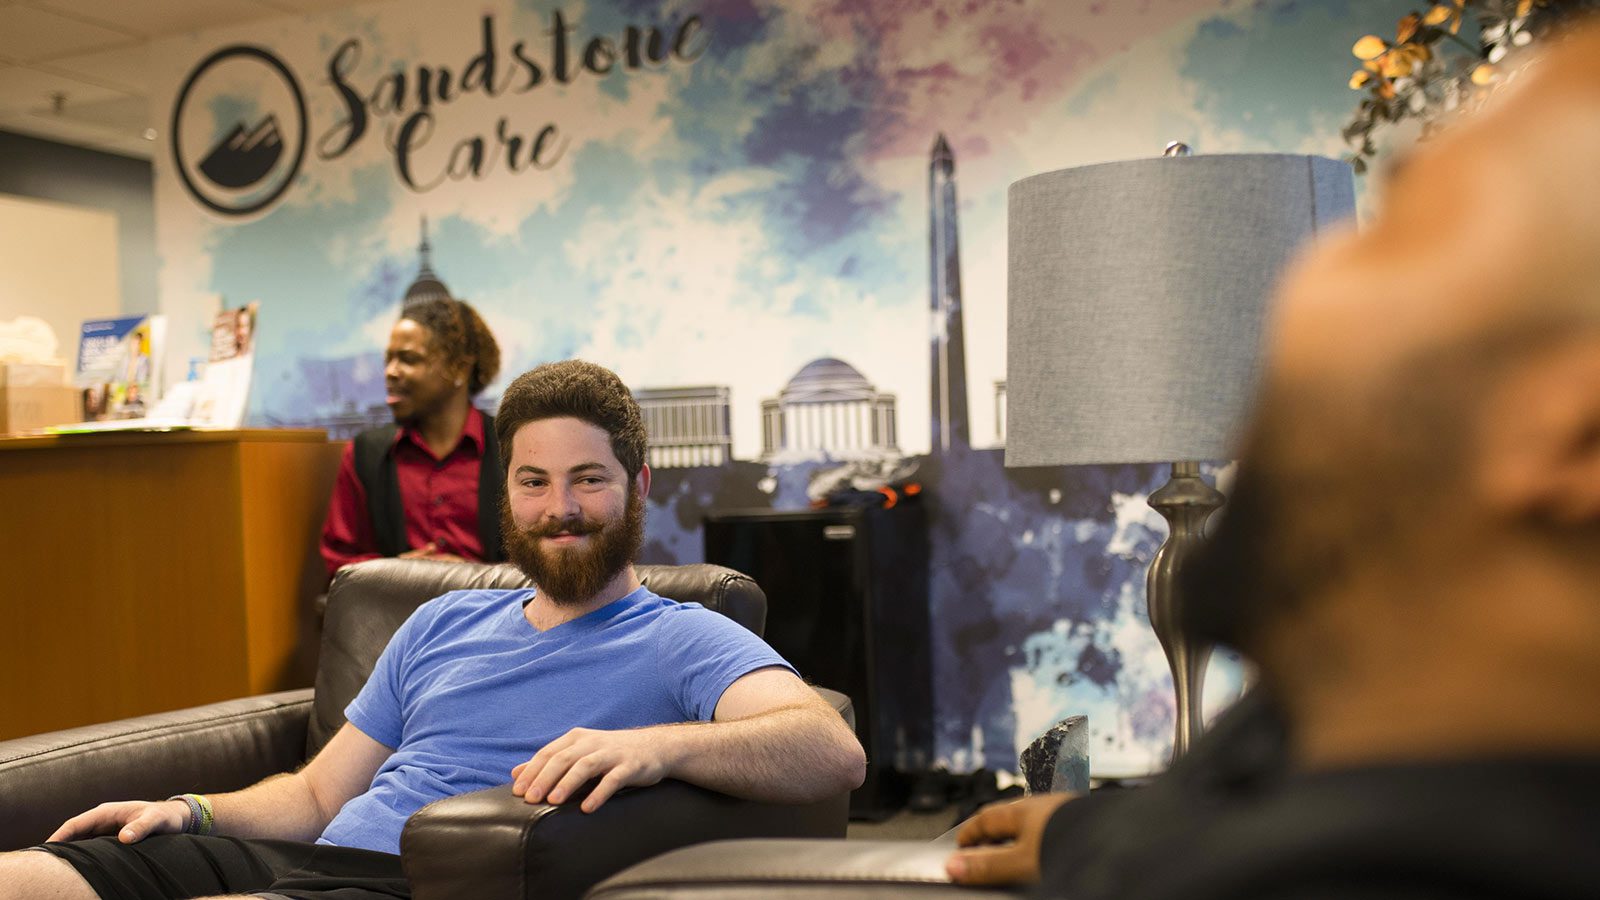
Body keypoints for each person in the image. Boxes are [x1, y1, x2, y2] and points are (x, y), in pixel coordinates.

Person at [947, 22, 1600, 899]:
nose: (1296, 284)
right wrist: (1098, 835)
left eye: (1400, 229)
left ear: (1575, 434)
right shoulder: (1364, 769)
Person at [0, 359, 867, 899]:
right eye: (533, 481)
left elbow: (831, 751)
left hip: (407, 883)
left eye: (587, 479)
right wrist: (191, 811)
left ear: (638, 488)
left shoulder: (685, 636)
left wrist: (661, 747)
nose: (560, 509)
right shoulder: (442, 618)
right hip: (294, 857)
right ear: (508, 495)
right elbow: (312, 798)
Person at [319, 297, 505, 580]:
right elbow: (338, 562)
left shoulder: (511, 449)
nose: (390, 372)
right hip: (396, 621)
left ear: (460, 369)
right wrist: (398, 572)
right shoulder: (364, 455)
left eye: (408, 359)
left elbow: (544, 561)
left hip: (499, 619)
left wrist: (472, 577)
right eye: (388, 359)